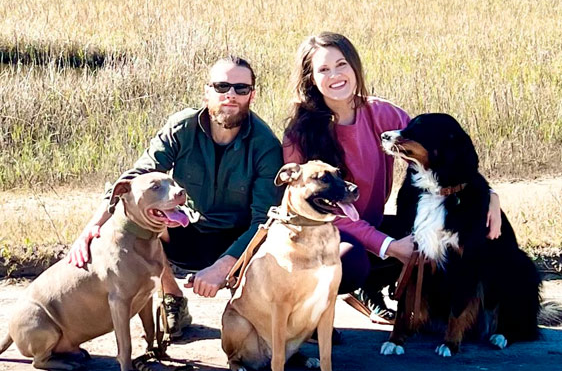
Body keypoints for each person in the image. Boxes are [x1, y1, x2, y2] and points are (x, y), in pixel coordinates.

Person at [283, 32, 502, 324]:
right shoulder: (299, 135)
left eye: (342, 64)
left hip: (370, 223)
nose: (335, 75)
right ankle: (308, 317)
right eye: (323, 69)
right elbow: (324, 215)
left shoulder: (382, 113)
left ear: (355, 67)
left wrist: (490, 196)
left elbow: (443, 154)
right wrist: (388, 246)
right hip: (321, 234)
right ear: (311, 77)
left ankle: (373, 290)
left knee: (438, 229)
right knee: (351, 260)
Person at [68, 56, 283, 338]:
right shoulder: (181, 128)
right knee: (138, 215)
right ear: (207, 92)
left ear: (252, 95)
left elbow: (263, 221)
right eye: (221, 86)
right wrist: (92, 226)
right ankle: (173, 298)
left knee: (276, 236)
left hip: (238, 239)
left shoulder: (266, 145)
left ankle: (262, 312)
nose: (230, 94)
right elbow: (136, 178)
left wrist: (222, 267)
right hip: (186, 225)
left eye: (241, 88)